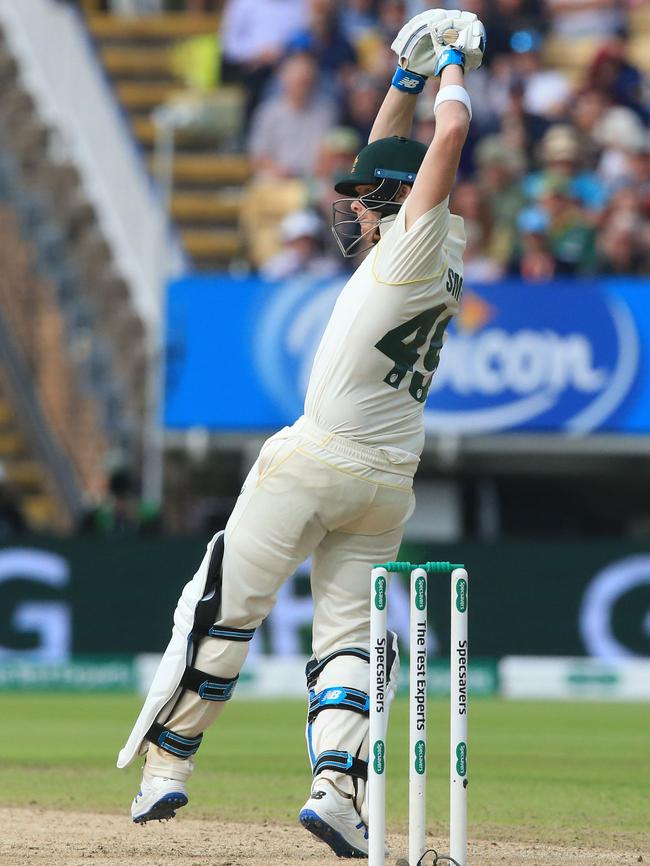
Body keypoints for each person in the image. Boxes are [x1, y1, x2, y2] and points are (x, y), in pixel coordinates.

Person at [119, 8, 484, 859]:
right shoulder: (440, 251)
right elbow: (394, 161)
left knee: (222, 609)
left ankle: (167, 770)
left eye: (365, 200)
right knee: (350, 640)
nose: (351, 212)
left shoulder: (409, 240)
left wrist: (457, 69)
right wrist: (404, 79)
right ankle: (336, 792)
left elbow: (450, 134)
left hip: (314, 458)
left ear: (397, 203)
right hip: (391, 479)